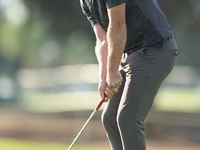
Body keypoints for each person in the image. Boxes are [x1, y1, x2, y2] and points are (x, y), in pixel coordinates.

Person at [80, 0, 178, 150]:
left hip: (155, 49)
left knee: (128, 119)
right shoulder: (85, 2)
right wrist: (104, 77)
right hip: (131, 56)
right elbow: (103, 39)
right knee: (110, 118)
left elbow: (118, 25)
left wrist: (113, 71)